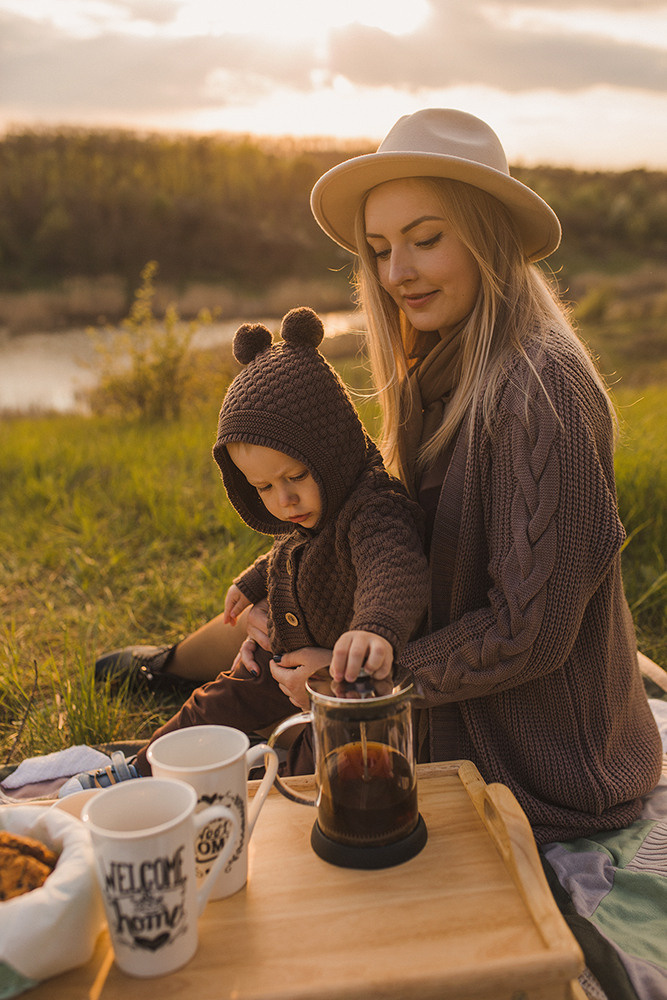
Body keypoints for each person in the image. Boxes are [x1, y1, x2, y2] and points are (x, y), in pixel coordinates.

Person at [92, 108, 662, 845]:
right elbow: (386, 524)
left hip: (539, 757)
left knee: (288, 797)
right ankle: (172, 664)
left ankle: (175, 676)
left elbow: (529, 633)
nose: (396, 273)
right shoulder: (440, 363)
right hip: (435, 643)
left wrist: (352, 680)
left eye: (425, 240)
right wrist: (291, 600)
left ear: (490, 238)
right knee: (272, 598)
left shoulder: (538, 394)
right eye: (381, 248)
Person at [83, 305, 428, 782]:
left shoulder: (374, 510)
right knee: (213, 703)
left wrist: (375, 628)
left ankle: (271, 769)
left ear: (333, 448)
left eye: (295, 477)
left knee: (320, 760)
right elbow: (293, 549)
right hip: (284, 655)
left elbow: (394, 567)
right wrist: (252, 582)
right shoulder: (317, 505)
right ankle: (141, 769)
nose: (283, 500)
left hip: (332, 681)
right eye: (263, 488)